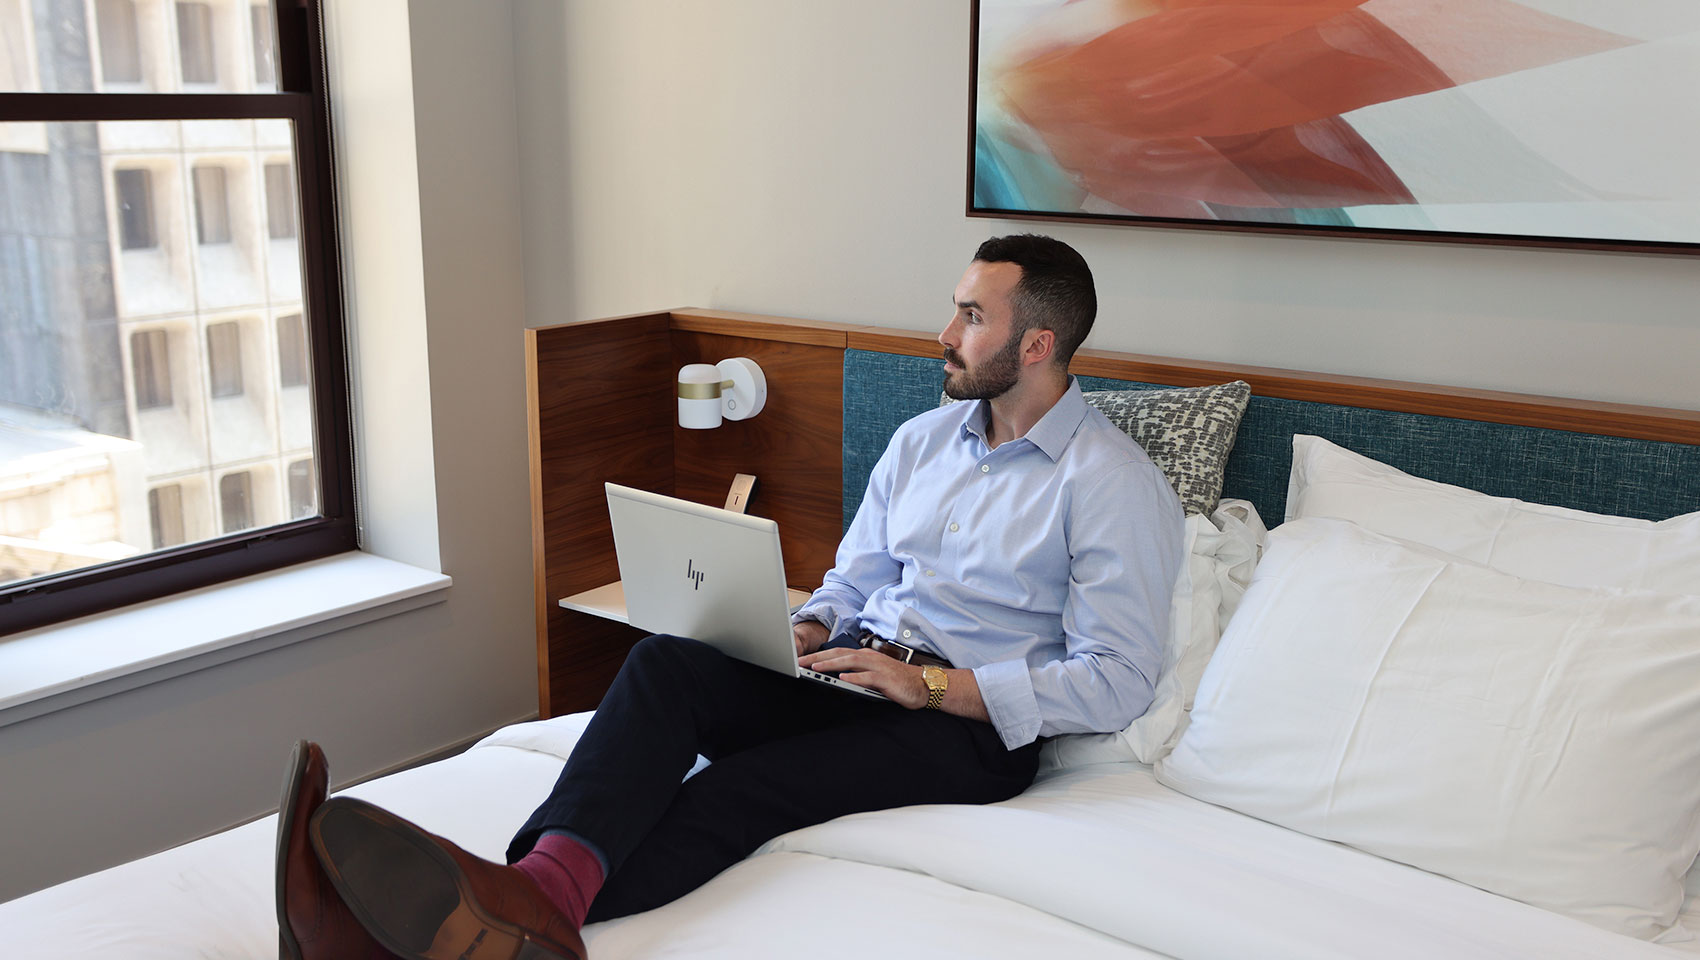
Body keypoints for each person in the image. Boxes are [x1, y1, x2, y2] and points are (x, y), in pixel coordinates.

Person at [277, 234, 1186, 960]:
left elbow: (1118, 678)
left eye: (971, 316)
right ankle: (521, 903)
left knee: (742, 788)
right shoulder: (922, 440)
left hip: (967, 729)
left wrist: (934, 686)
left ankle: (493, 912)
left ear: (1037, 345)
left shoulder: (1108, 482)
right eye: (954, 307)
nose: (945, 332)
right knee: (665, 666)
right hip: (855, 672)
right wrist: (808, 625)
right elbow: (858, 576)